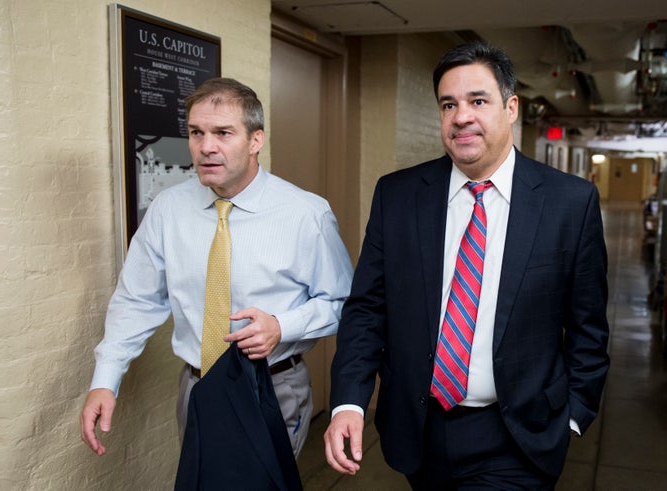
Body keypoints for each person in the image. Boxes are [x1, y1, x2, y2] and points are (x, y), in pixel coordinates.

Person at [324, 42, 610, 489]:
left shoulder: (568, 203)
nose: (461, 116)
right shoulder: (398, 196)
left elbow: (588, 328)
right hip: (420, 429)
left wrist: (571, 417)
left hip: (518, 434)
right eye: (448, 104)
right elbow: (367, 309)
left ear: (511, 107)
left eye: (478, 101)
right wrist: (348, 403)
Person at [80, 77, 353, 459]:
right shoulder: (168, 209)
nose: (206, 147)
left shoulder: (306, 214)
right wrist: (105, 381)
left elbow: (342, 303)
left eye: (223, 133)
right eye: (196, 132)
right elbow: (136, 300)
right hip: (197, 388)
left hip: (273, 387)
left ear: (256, 140)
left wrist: (281, 326)